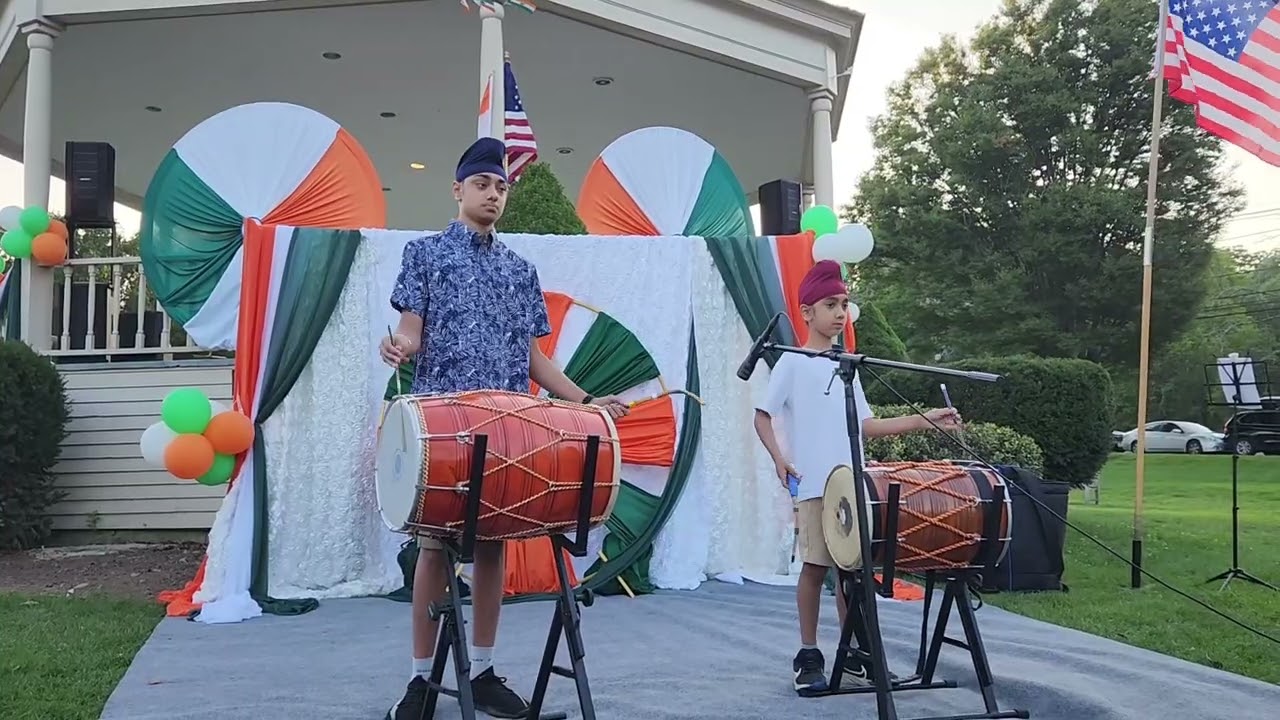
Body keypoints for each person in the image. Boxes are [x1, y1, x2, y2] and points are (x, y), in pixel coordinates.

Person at [379, 136, 629, 720]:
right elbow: (411, 329)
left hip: (508, 427)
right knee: (434, 551)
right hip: (443, 427)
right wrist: (399, 346)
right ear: (458, 190)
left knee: (492, 549)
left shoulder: (520, 270)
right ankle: (419, 682)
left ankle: (485, 670)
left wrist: (587, 401)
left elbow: (533, 359)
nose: (494, 194)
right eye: (483, 185)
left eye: (501, 187)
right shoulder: (424, 254)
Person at [752, 259, 961, 697]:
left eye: (845, 304)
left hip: (854, 487)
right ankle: (809, 653)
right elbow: (762, 416)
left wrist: (926, 421)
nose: (840, 312)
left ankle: (854, 654)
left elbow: (867, 425)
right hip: (814, 485)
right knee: (815, 567)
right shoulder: (791, 362)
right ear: (807, 312)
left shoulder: (847, 366)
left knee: (853, 571)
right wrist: (779, 459)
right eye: (831, 304)